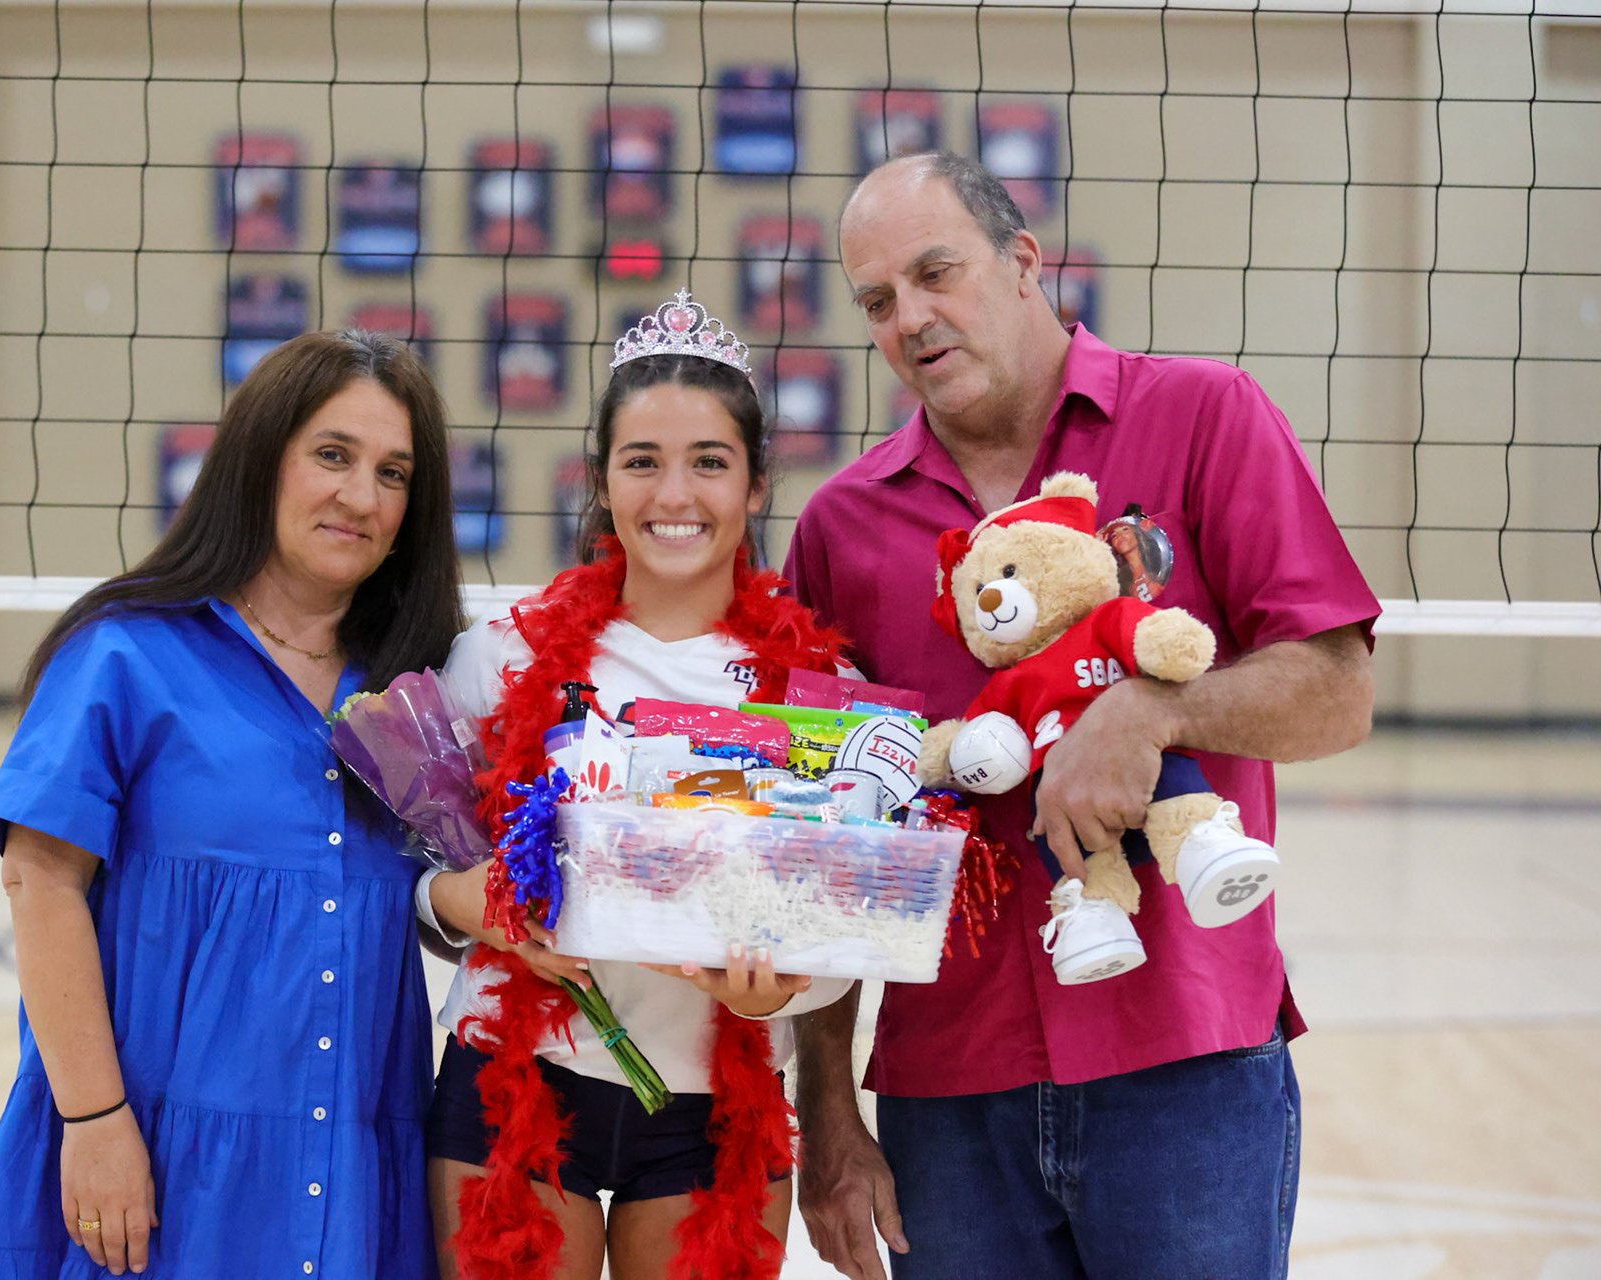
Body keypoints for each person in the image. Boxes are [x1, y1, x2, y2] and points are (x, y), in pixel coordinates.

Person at [784, 151, 1379, 1280]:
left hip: (1187, 1068)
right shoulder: (842, 526)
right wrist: (826, 1112)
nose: (911, 317)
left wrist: (1151, 713)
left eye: (935, 272)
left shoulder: (1205, 414)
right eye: (877, 300)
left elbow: (1338, 689)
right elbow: (830, 850)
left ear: (1021, 260)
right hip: (946, 1099)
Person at [0, 331, 463, 1279]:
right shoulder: (127, 655)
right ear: (259, 458)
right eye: (332, 455)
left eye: (394, 473)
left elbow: (450, 901)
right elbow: (40, 881)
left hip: (347, 1164)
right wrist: (95, 1122)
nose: (361, 495)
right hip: (147, 1156)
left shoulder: (420, 691)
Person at [418, 291, 856, 1280]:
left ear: (754, 484)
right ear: (603, 478)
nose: (676, 492)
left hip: (719, 1104)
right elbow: (413, 877)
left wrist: (786, 983)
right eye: (643, 459)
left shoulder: (821, 698)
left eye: (709, 460)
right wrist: (473, 903)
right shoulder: (498, 658)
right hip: (512, 1077)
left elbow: (841, 926)